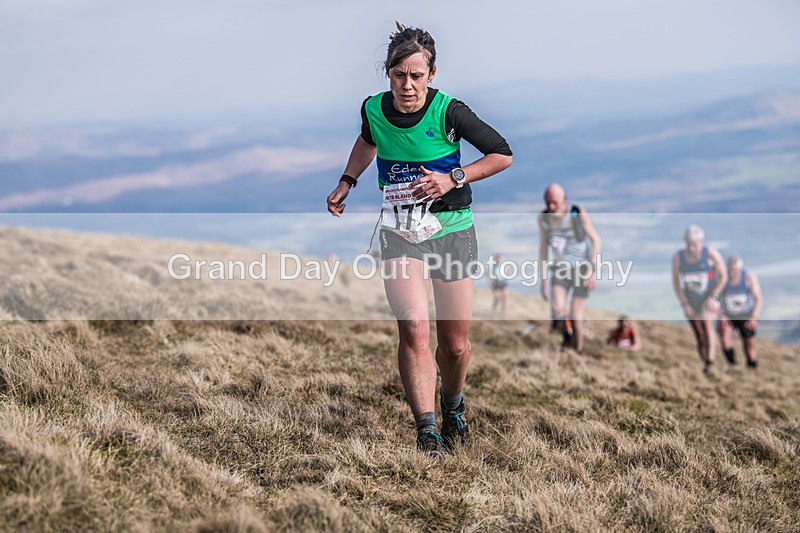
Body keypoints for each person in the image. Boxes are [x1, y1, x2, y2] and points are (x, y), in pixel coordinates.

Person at [325, 23, 512, 459]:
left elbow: (502, 153)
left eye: (416, 76)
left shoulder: (450, 111)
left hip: (452, 231)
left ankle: (453, 404)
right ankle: (427, 431)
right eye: (398, 75)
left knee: (455, 344)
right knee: (412, 328)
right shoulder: (373, 109)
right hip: (400, 232)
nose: (407, 86)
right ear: (387, 73)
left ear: (431, 73)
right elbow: (368, 141)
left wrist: (453, 178)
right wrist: (347, 180)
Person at [538, 183, 601, 353]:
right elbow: (543, 247)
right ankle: (567, 341)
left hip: (582, 269)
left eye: (555, 202)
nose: (551, 207)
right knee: (557, 308)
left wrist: (592, 270)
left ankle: (577, 351)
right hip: (559, 270)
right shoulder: (544, 219)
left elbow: (596, 241)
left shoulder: (577, 214)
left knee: (575, 315)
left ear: (564, 200)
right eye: (547, 202)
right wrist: (543, 278)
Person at [671, 225, 727, 373]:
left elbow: (723, 276)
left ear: (701, 242)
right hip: (690, 300)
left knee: (707, 325)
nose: (691, 247)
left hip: (708, 297)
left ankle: (710, 363)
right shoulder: (678, 258)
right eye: (689, 244)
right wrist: (684, 304)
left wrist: (714, 297)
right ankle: (704, 361)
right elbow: (676, 283)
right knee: (699, 333)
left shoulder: (711, 254)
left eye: (695, 244)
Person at [718, 254, 762, 368]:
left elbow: (758, 299)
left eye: (735, 269)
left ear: (740, 268)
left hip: (745, 314)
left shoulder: (748, 277)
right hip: (729, 315)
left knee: (749, 345)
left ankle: (752, 368)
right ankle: (733, 365)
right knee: (725, 339)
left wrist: (754, 317)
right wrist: (722, 315)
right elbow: (717, 298)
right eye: (730, 269)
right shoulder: (723, 278)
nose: (732, 272)